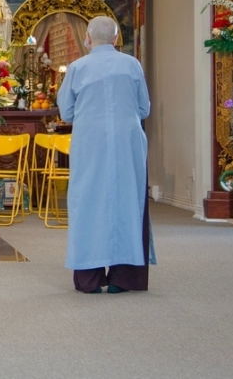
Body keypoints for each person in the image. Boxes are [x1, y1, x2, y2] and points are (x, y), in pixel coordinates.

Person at [56, 16, 152, 294]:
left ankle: (90, 278)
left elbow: (66, 112)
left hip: (90, 142)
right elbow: (144, 108)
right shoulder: (131, 64)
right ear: (115, 38)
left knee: (88, 201)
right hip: (127, 141)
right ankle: (125, 277)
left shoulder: (77, 67)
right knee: (128, 199)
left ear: (87, 38)